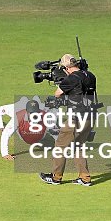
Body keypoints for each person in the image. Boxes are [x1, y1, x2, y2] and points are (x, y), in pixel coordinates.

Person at [39, 54, 96, 186]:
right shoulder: (90, 75)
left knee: (60, 146)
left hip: (75, 119)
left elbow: (57, 93)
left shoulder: (71, 78)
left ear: (66, 67)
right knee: (78, 146)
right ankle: (85, 178)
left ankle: (56, 177)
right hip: (90, 116)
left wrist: (64, 81)